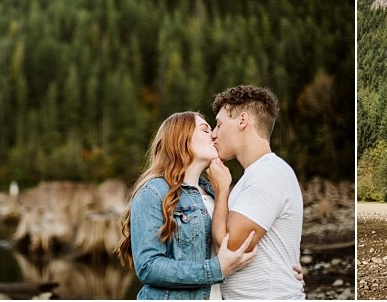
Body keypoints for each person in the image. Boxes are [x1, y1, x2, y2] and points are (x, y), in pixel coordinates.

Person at [116, 111, 257, 300]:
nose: (214, 135)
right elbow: (148, 267)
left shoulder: (214, 192)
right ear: (181, 139)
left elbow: (231, 246)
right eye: (205, 130)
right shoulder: (153, 192)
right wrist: (216, 269)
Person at [206, 85, 306, 299]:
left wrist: (221, 190)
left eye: (219, 124)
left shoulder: (269, 174)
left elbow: (230, 247)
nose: (213, 134)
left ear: (242, 121)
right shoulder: (256, 175)